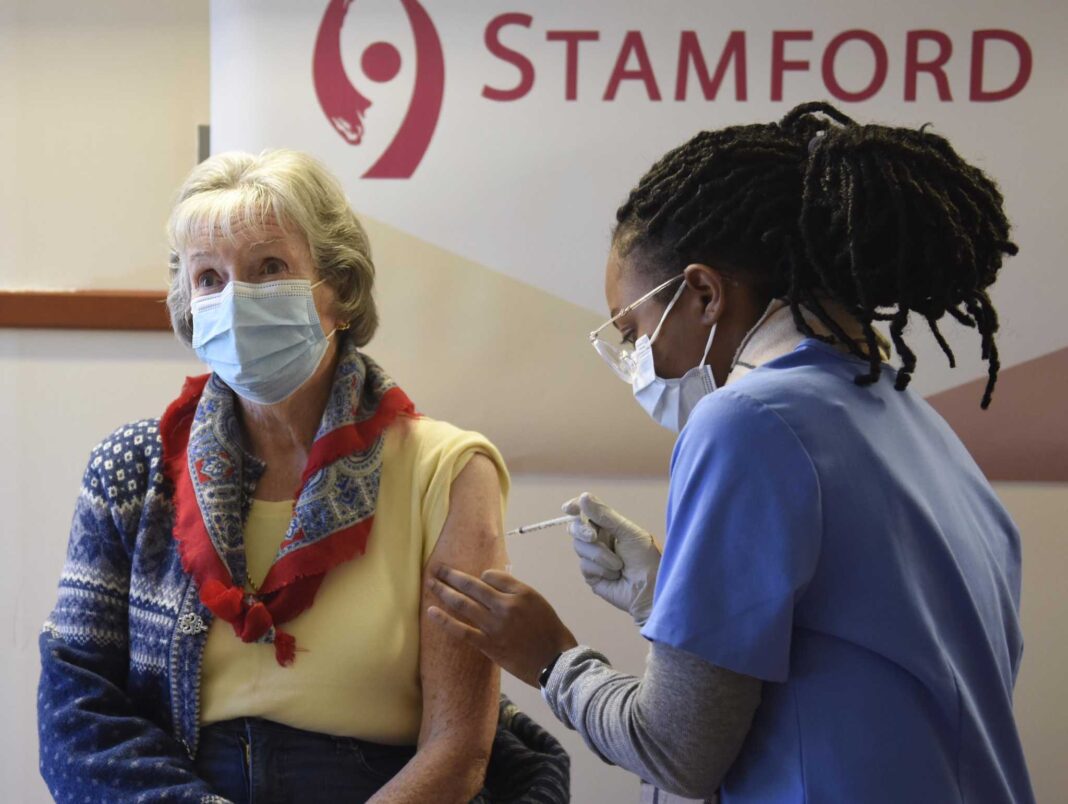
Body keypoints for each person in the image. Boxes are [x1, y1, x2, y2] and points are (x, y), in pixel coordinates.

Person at [429, 102, 1035, 803]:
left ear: (705, 293)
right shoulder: (917, 426)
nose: (634, 360)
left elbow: (678, 750)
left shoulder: (744, 422)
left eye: (633, 330)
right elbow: (853, 659)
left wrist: (551, 658)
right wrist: (662, 592)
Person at [37, 150, 567, 804]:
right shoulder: (132, 470)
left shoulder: (448, 470)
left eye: (269, 269)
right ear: (188, 311)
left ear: (339, 292)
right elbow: (74, 713)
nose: (237, 301)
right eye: (209, 278)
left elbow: (458, 749)